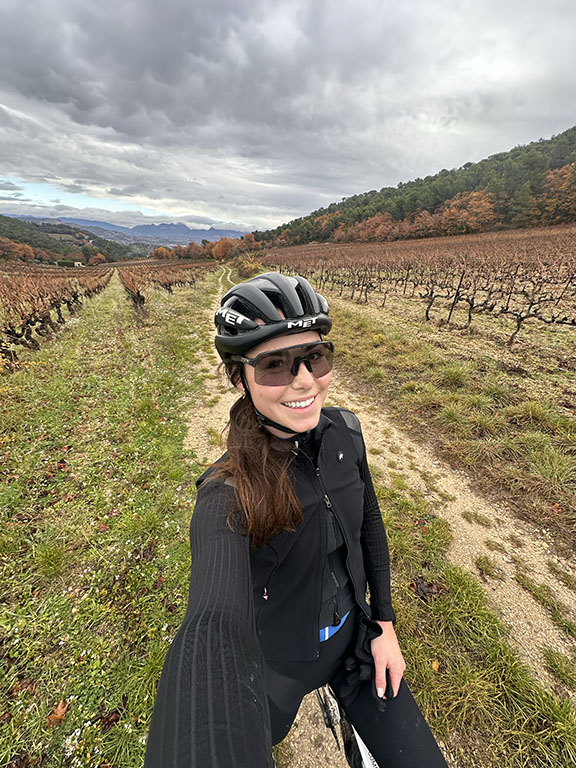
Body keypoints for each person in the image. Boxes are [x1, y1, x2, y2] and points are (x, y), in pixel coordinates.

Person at [144, 272, 448, 767]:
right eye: (274, 366)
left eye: (315, 357)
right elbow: (210, 622)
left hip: (355, 646)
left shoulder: (346, 432)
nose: (304, 380)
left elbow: (369, 524)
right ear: (239, 378)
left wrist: (385, 626)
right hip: (273, 671)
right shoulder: (226, 494)